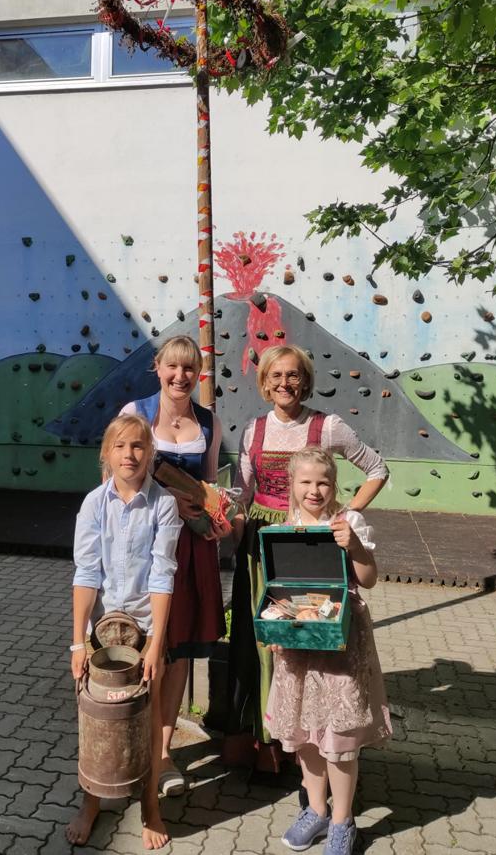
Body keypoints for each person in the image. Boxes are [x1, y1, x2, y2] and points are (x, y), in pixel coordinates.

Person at [224, 344, 388, 771]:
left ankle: (306, 744)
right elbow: (242, 495)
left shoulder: (327, 426)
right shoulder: (252, 430)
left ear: (306, 380)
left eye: (293, 375)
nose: (285, 383)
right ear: (264, 383)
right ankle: (261, 738)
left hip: (310, 545)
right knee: (256, 637)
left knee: (305, 638)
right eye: (276, 376)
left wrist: (348, 514)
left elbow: (377, 468)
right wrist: (227, 521)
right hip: (263, 544)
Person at [266, 447, 392, 855]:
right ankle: (316, 811)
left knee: (337, 740)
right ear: (294, 485)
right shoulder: (289, 524)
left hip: (341, 647)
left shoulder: (348, 521)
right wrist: (273, 622)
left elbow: (369, 579)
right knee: (305, 736)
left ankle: (342, 821)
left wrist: (354, 546)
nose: (314, 490)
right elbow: (281, 586)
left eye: (323, 482)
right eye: (306, 482)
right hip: (299, 645)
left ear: (334, 485)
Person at [66, 414, 182, 851]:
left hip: (144, 631)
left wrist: (155, 645)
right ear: (107, 454)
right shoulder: (94, 505)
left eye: (138, 446)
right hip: (101, 632)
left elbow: (162, 575)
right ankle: (92, 802)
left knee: (148, 719)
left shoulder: (163, 505)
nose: (129, 454)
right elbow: (86, 573)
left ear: (150, 452)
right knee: (96, 718)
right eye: (120, 446)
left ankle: (150, 806)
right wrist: (78, 641)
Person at [120, 335, 225, 796]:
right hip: (146, 545)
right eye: (172, 367)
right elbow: (115, 480)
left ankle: (163, 756)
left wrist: (218, 514)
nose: (181, 377)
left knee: (178, 650)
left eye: (190, 369)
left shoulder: (210, 422)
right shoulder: (135, 413)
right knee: (148, 647)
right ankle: (133, 744)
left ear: (198, 374)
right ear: (157, 368)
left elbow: (211, 484)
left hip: (193, 548)